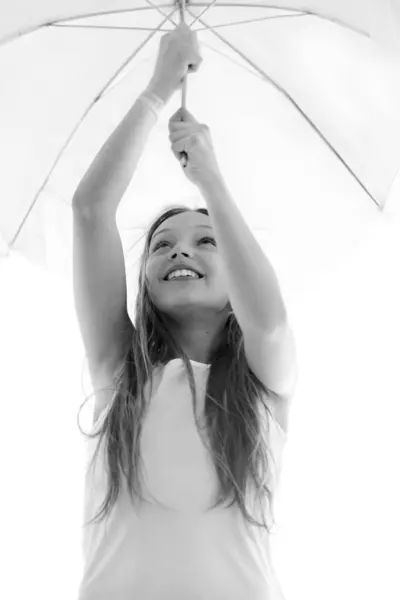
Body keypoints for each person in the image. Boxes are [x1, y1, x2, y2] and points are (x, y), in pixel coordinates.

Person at [73, 23, 291, 600]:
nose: (179, 250)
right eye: (163, 244)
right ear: (144, 283)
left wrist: (211, 179)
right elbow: (91, 209)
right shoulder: (120, 374)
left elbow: (268, 320)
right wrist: (157, 89)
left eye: (206, 240)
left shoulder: (265, 383)